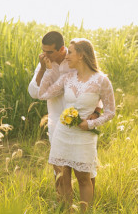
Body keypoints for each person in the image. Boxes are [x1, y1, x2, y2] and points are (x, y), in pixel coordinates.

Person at [38, 38, 115, 212]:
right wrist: (48, 71)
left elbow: (111, 111)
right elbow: (43, 94)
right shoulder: (67, 78)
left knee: (83, 179)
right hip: (62, 134)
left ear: (81, 55)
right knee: (63, 178)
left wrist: (90, 123)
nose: (67, 57)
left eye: (70, 52)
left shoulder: (101, 80)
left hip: (84, 136)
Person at [28, 31, 100, 194]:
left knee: (86, 168)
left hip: (80, 123)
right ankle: (64, 211)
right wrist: (42, 69)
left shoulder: (76, 60)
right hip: (56, 123)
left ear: (62, 50)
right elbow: (34, 92)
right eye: (42, 50)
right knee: (60, 170)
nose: (43, 55)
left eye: (49, 52)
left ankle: (87, 210)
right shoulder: (44, 64)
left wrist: (96, 114)